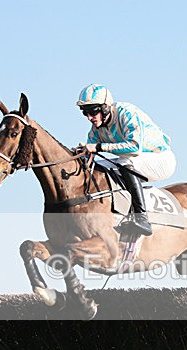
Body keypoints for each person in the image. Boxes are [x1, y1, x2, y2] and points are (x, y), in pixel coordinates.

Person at [73, 84, 175, 236]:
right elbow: (90, 157)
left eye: (93, 111)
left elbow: (134, 147)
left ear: (106, 107)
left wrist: (99, 147)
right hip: (134, 160)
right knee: (98, 167)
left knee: (125, 163)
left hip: (161, 159)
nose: (89, 117)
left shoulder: (126, 113)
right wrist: (79, 154)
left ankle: (141, 218)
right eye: (85, 112)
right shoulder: (96, 129)